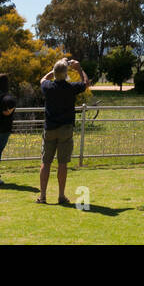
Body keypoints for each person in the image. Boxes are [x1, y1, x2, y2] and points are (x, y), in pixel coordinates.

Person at [38, 58, 90, 204]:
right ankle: (61, 195)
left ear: (55, 73)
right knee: (62, 163)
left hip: (50, 129)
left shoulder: (48, 87)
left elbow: (43, 79)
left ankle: (42, 196)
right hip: (65, 129)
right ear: (66, 74)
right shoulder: (70, 87)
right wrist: (79, 68)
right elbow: (86, 84)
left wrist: (56, 67)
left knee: (46, 162)